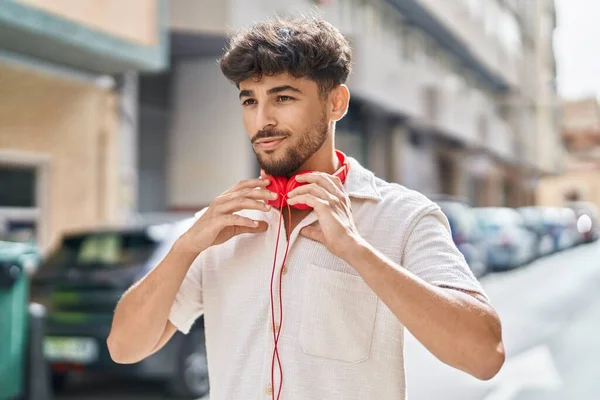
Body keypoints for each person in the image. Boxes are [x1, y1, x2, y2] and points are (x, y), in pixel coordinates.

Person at [107, 15, 505, 399]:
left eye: (282, 97)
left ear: (336, 102)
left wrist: (356, 250)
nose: (262, 120)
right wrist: (185, 247)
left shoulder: (403, 215)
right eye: (250, 100)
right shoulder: (218, 225)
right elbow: (123, 347)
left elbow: (485, 355)